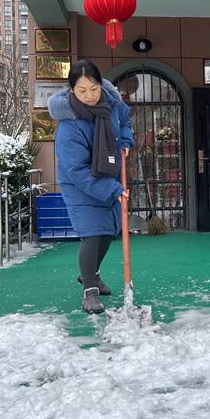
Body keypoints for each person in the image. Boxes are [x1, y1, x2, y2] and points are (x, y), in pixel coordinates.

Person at [47, 59, 133, 314]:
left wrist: (125, 141)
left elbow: (125, 121)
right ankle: (90, 291)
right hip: (79, 182)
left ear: (101, 84)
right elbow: (77, 169)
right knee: (93, 232)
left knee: (109, 231)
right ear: (72, 90)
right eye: (82, 90)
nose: (89, 95)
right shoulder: (69, 125)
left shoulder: (112, 104)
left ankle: (91, 274)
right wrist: (112, 190)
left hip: (108, 174)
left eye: (94, 88)